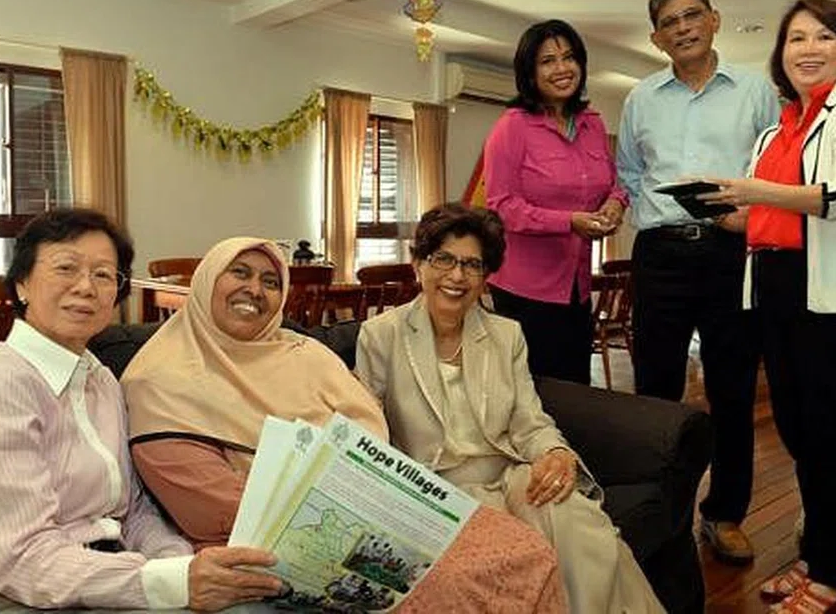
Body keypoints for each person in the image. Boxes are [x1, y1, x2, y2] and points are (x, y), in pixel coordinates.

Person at [121, 236, 568, 613]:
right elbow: (206, 503)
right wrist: (335, 507)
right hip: (280, 536)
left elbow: (366, 426)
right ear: (205, 282)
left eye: (271, 281)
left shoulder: (301, 352)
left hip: (374, 503)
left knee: (523, 549)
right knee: (454, 582)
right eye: (239, 273)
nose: (255, 290)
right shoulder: (160, 378)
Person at [0, 209, 280, 612]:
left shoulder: (101, 379)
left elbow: (133, 510)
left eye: (104, 275)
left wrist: (182, 565)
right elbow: (22, 559)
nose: (86, 287)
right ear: (22, 284)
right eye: (66, 267)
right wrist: (172, 583)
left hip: (101, 567)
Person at [355, 203, 664, 613]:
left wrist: (555, 453)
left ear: (486, 278)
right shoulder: (381, 335)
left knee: (589, 533)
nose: (457, 276)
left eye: (472, 265)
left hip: (509, 474)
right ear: (419, 265)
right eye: (443, 259)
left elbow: (528, 419)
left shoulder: (506, 335)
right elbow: (367, 430)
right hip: (434, 490)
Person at [700, 0, 836, 613]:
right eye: (795, 39)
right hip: (776, 294)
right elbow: (774, 215)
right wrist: (733, 212)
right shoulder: (778, 127)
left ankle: (833, 572)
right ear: (780, 55)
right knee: (799, 436)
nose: (807, 49)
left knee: (834, 438)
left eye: (823, 37)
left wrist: (758, 190)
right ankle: (818, 553)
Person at [615, 0, 780, 564]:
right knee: (654, 389)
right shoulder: (641, 98)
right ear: (657, 37)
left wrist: (747, 217)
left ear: (714, 19)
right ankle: (657, 511)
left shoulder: (756, 91)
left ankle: (725, 513)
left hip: (730, 251)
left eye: (692, 16)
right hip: (660, 253)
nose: (682, 28)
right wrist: (646, 213)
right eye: (669, 22)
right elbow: (630, 173)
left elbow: (775, 172)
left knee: (732, 389)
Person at [484, 18, 628, 385]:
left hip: (577, 287)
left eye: (569, 57)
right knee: (535, 398)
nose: (562, 68)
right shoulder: (512, 126)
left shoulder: (593, 123)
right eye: (547, 61)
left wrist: (615, 204)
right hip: (524, 291)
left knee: (576, 392)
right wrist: (569, 222)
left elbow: (614, 183)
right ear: (529, 72)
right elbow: (501, 205)